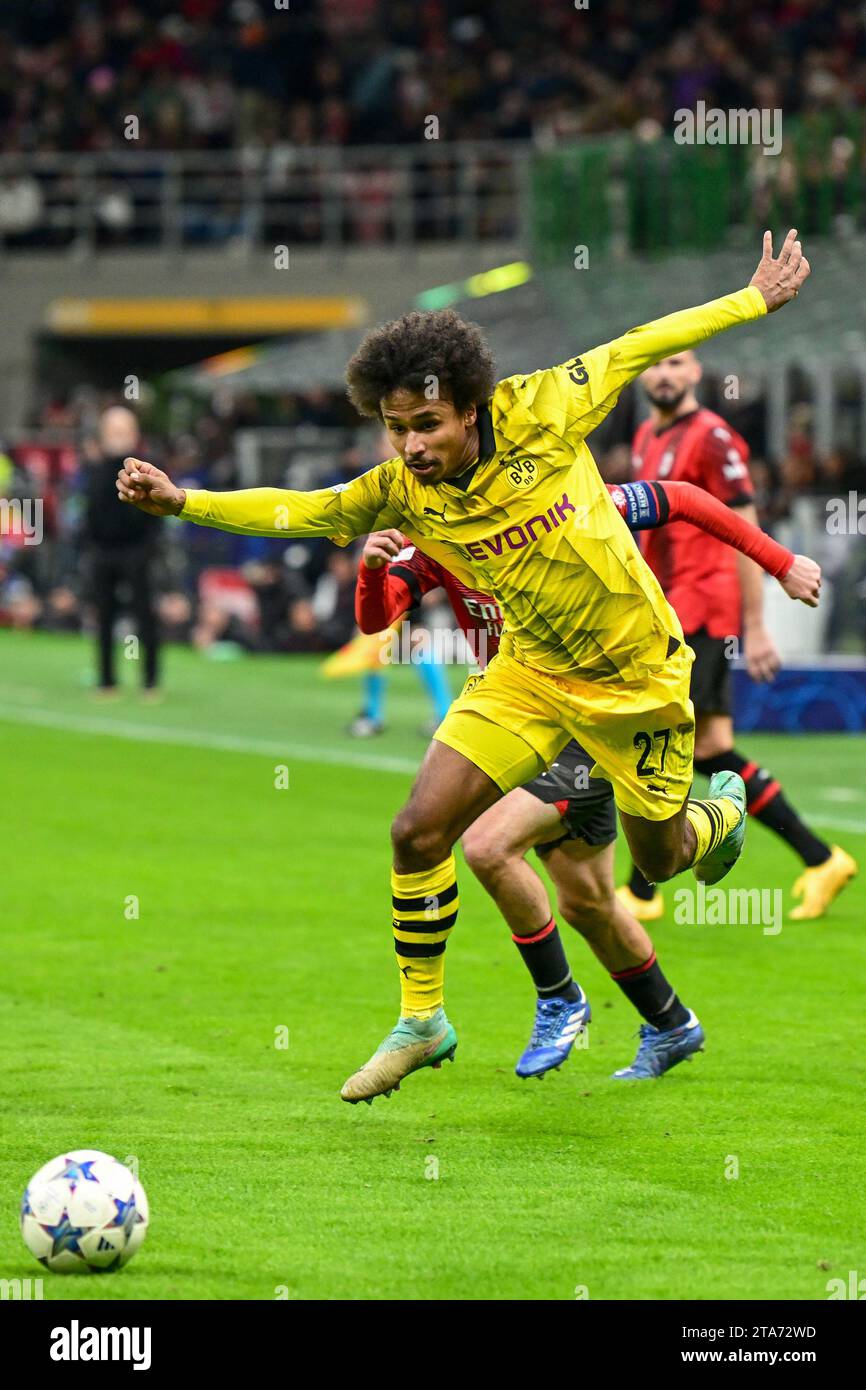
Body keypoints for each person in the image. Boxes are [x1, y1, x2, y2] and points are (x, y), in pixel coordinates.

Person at [116, 229, 811, 1104]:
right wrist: (184, 502)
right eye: (395, 428)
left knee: (664, 860)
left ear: (473, 407)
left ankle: (719, 817)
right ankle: (423, 1019)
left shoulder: (545, 407)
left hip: (636, 675)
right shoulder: (401, 490)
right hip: (529, 676)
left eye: (426, 425)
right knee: (418, 830)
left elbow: (641, 343)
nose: (408, 446)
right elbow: (304, 510)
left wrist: (752, 301)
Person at [355, 477, 821, 1080]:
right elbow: (375, 620)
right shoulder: (438, 544)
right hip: (521, 723)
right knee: (588, 902)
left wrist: (780, 562)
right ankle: (672, 1021)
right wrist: (370, 569)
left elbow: (682, 498)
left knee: (488, 845)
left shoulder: (557, 502)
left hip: (598, 715)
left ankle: (558, 998)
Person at [619, 351, 856, 922]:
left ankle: (642, 891)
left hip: (703, 610)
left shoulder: (713, 437)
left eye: (676, 363)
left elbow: (746, 528)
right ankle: (820, 859)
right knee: (706, 747)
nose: (664, 375)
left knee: (660, 735)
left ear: (697, 371)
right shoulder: (648, 435)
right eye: (653, 365)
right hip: (671, 609)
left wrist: (755, 626)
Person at [81, 406, 161, 696]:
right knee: (103, 616)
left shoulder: (146, 469)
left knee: (144, 615)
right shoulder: (95, 469)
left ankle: (150, 681)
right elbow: (90, 513)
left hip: (136, 551)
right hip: (103, 551)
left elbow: (155, 515)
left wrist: (149, 550)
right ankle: (106, 679)